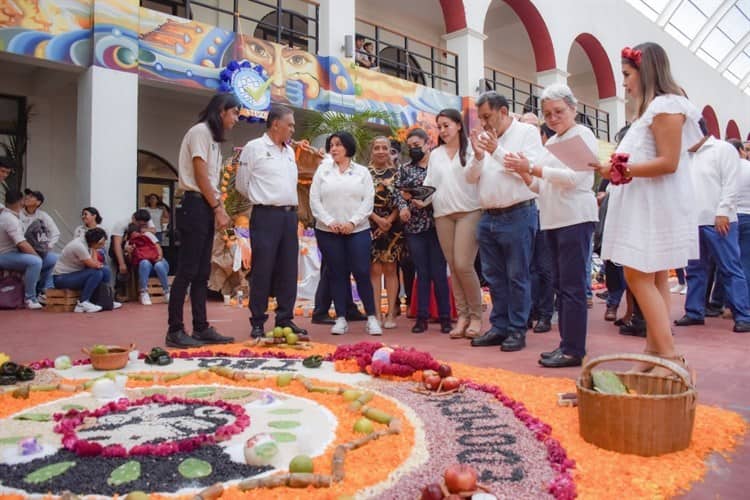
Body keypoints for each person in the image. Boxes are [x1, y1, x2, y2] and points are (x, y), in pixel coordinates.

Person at [597, 43, 703, 375]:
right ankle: (654, 352)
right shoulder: (652, 109)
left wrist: (621, 170)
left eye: (627, 75)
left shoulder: (667, 106)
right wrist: (614, 167)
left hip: (653, 205)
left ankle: (670, 358)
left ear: (646, 72)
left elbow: (668, 162)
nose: (624, 84)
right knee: (653, 274)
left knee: (637, 275)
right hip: (644, 201)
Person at [505, 83, 599, 368]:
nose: (553, 117)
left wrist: (533, 169)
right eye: (548, 113)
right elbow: (538, 186)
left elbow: (577, 179)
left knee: (571, 287)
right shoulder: (552, 143)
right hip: (554, 219)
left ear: (573, 108)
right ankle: (567, 344)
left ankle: (573, 349)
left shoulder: (581, 135)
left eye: (559, 111)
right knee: (561, 285)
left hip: (575, 217)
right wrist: (523, 172)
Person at [466, 91, 545, 353]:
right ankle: (499, 326)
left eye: (488, 117)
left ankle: (517, 329)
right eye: (481, 118)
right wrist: (478, 156)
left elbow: (526, 168)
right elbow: (469, 178)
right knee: (493, 277)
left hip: (519, 213)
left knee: (517, 276)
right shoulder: (483, 139)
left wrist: (495, 150)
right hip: (488, 215)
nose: (485, 124)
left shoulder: (527, 133)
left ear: (503, 112)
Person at [167, 93, 239, 348]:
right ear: (221, 111)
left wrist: (217, 207)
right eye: (234, 113)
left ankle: (200, 327)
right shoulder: (200, 132)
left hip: (205, 205)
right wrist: (218, 207)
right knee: (187, 270)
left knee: (201, 272)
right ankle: (175, 329)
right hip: (195, 204)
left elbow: (211, 178)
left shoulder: (213, 141)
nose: (236, 119)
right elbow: (200, 175)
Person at [237, 104, 307, 338]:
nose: (293, 130)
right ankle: (257, 321)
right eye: (290, 124)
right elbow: (242, 184)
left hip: (289, 216)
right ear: (276, 124)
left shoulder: (288, 151)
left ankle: (285, 319)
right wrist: (265, 200)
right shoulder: (254, 148)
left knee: (289, 269)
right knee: (263, 269)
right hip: (265, 215)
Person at [673, 121, 750, 332]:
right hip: (692, 221)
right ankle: (694, 312)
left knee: (729, 268)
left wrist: (724, 211)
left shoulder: (723, 149)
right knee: (695, 271)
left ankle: (743, 315)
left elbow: (730, 183)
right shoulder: (684, 154)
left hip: (719, 220)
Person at [310, 131, 381, 336]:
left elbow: (368, 201)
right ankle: (340, 318)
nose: (333, 148)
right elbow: (315, 200)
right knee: (337, 273)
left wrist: (352, 222)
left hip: (357, 230)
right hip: (328, 231)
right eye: (331, 145)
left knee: (361, 271)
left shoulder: (362, 172)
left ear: (348, 147)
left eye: (338, 144)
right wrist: (330, 221)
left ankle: (371, 317)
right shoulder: (323, 171)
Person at [422, 109, 482, 337]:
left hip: (469, 211)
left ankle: (476, 316)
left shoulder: (471, 149)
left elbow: (474, 176)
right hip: (442, 213)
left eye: (446, 125)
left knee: (464, 264)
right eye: (439, 126)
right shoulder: (435, 154)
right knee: (454, 267)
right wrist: (419, 197)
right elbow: (430, 183)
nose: (442, 130)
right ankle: (463, 316)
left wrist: (477, 156)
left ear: (458, 125)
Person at [397, 128, 452, 333]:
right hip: (414, 226)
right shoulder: (405, 169)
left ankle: (445, 317)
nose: (414, 150)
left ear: (428, 144)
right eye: (410, 147)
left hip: (439, 223)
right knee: (422, 272)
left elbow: (447, 190)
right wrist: (403, 206)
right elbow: (399, 193)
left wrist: (427, 202)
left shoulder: (439, 166)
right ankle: (421, 317)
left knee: (439, 272)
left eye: (417, 146)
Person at [368, 136, 404, 329]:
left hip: (393, 227)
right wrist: (377, 219)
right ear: (372, 151)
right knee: (374, 270)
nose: (381, 151)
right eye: (377, 147)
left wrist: (389, 220)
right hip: (371, 224)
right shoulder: (364, 173)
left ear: (390, 150)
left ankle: (391, 314)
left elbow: (401, 200)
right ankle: (376, 314)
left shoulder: (398, 174)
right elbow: (361, 200)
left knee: (391, 269)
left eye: (385, 148)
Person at [0, 190, 55, 309]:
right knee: (35, 262)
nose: (27, 199)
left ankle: (43, 291)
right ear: (20, 201)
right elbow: (21, 244)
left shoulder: (16, 215)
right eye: (25, 198)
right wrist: (36, 255)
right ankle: (30, 298)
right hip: (4, 254)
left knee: (55, 258)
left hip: (16, 252)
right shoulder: (9, 218)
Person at [52, 227, 115, 313]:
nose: (102, 246)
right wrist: (97, 264)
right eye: (100, 244)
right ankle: (83, 302)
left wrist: (95, 250)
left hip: (76, 274)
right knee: (96, 273)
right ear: (94, 242)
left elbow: (95, 262)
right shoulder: (79, 246)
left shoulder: (90, 244)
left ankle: (105, 300)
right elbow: (93, 265)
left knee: (106, 270)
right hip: (62, 278)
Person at [124, 223, 170, 306]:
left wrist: (158, 257)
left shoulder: (148, 235)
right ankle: (144, 292)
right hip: (147, 268)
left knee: (158, 265)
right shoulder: (128, 243)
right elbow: (132, 262)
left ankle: (167, 291)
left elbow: (158, 247)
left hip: (159, 263)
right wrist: (129, 252)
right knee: (144, 262)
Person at [110, 209, 156, 278]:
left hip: (137, 248)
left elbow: (153, 231)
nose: (142, 225)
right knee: (125, 268)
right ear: (133, 219)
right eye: (140, 224)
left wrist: (142, 230)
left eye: (144, 224)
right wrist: (122, 264)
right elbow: (117, 245)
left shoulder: (146, 219)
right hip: (120, 248)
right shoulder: (121, 224)